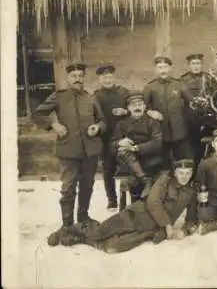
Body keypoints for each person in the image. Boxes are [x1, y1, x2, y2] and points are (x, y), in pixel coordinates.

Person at [32, 63, 107, 247]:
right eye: (73, 75)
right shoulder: (59, 96)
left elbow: (103, 121)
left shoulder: (91, 98)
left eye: (80, 75)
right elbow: (36, 114)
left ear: (84, 78)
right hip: (68, 151)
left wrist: (97, 128)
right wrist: (53, 126)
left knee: (87, 185)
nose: (77, 78)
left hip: (90, 150)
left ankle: (82, 219)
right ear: (68, 78)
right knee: (68, 187)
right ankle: (67, 225)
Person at [55, 159, 198, 254]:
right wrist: (167, 224)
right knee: (99, 232)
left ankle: (81, 240)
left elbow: (191, 219)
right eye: (181, 173)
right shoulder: (164, 181)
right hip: (136, 215)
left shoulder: (191, 193)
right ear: (175, 173)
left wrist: (184, 232)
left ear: (191, 174)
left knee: (114, 246)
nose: (184, 177)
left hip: (151, 229)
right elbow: (153, 202)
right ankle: (68, 231)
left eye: (187, 173)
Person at [110, 91, 163, 206]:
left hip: (150, 160)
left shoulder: (153, 123)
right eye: (133, 105)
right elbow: (111, 145)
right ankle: (144, 182)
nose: (137, 107)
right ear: (128, 108)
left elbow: (157, 143)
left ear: (144, 106)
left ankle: (146, 211)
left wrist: (136, 148)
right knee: (122, 151)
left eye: (140, 104)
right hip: (129, 164)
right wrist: (119, 142)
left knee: (136, 180)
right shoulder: (122, 124)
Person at [143, 55, 197, 169]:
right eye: (160, 67)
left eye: (165, 67)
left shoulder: (178, 84)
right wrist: (150, 112)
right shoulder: (150, 86)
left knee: (185, 162)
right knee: (163, 165)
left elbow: (192, 101)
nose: (163, 70)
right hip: (160, 133)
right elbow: (142, 106)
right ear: (155, 69)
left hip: (180, 132)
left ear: (170, 68)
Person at [93, 64, 130, 212]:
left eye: (109, 77)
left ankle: (130, 199)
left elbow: (135, 108)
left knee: (128, 167)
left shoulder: (123, 92)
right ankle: (112, 200)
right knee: (108, 169)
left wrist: (125, 111)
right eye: (104, 77)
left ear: (114, 77)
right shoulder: (95, 96)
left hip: (124, 136)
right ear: (99, 79)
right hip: (105, 138)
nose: (107, 80)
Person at [181, 53, 211, 165]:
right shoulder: (182, 80)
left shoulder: (209, 78)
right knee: (193, 148)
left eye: (198, 63)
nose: (196, 66)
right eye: (193, 64)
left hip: (208, 118)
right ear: (189, 65)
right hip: (190, 120)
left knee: (208, 146)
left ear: (202, 64)